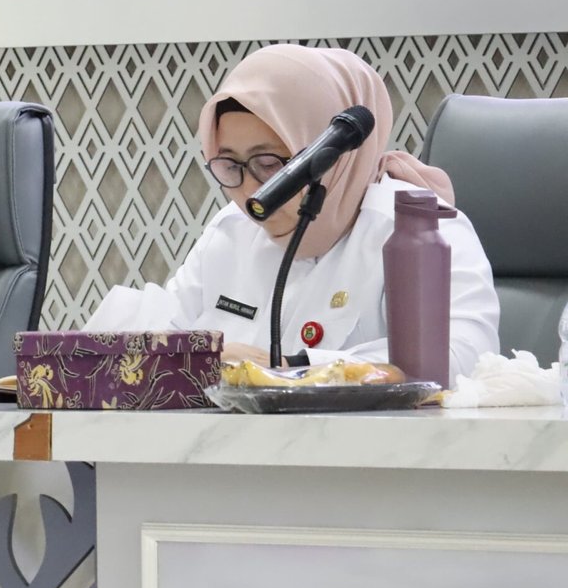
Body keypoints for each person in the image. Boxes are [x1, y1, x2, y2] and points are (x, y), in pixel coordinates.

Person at [85, 43, 499, 376]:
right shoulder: (231, 230)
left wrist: (290, 369)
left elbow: (463, 357)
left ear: (329, 157)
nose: (251, 190)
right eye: (229, 166)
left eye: (270, 164)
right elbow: (166, 331)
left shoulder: (419, 230)